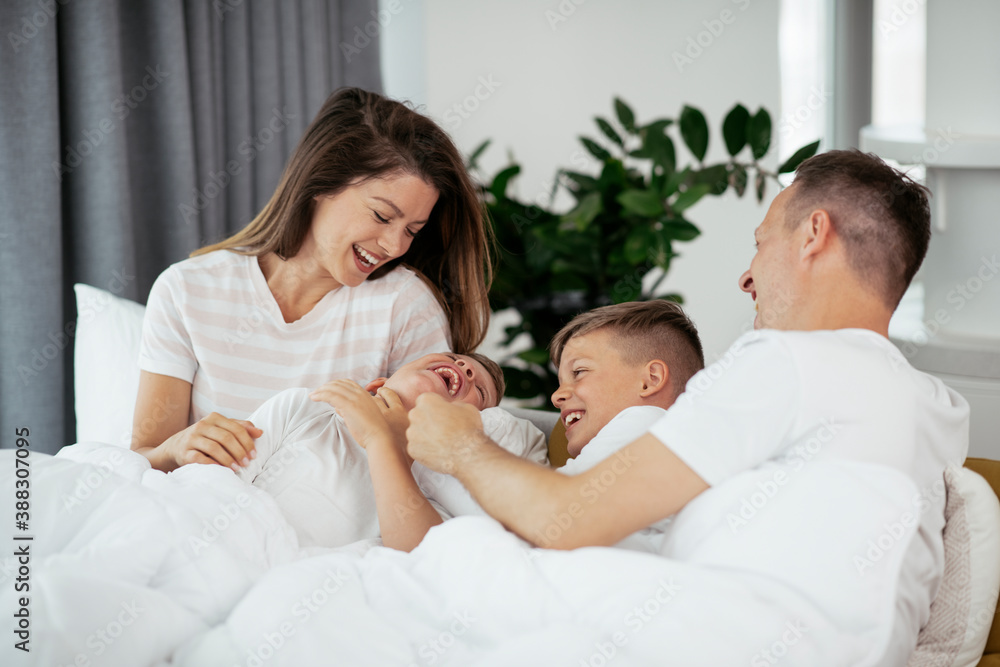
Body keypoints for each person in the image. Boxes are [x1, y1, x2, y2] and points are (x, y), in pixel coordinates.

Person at [404, 150, 969, 657]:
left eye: (760, 241)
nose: (747, 276)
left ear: (813, 234)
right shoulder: (938, 407)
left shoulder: (787, 361)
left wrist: (458, 445)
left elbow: (566, 521)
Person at [130, 87, 493, 474]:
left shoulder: (404, 305)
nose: (394, 245)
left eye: (413, 230)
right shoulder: (187, 290)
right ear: (321, 184)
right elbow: (143, 458)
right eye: (383, 216)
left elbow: (431, 467)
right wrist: (179, 447)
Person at [235, 351, 542, 551]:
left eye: (480, 392)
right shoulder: (304, 408)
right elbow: (220, 478)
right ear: (377, 384)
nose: (465, 369)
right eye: (454, 357)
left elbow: (420, 558)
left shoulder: (430, 486)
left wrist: (384, 442)